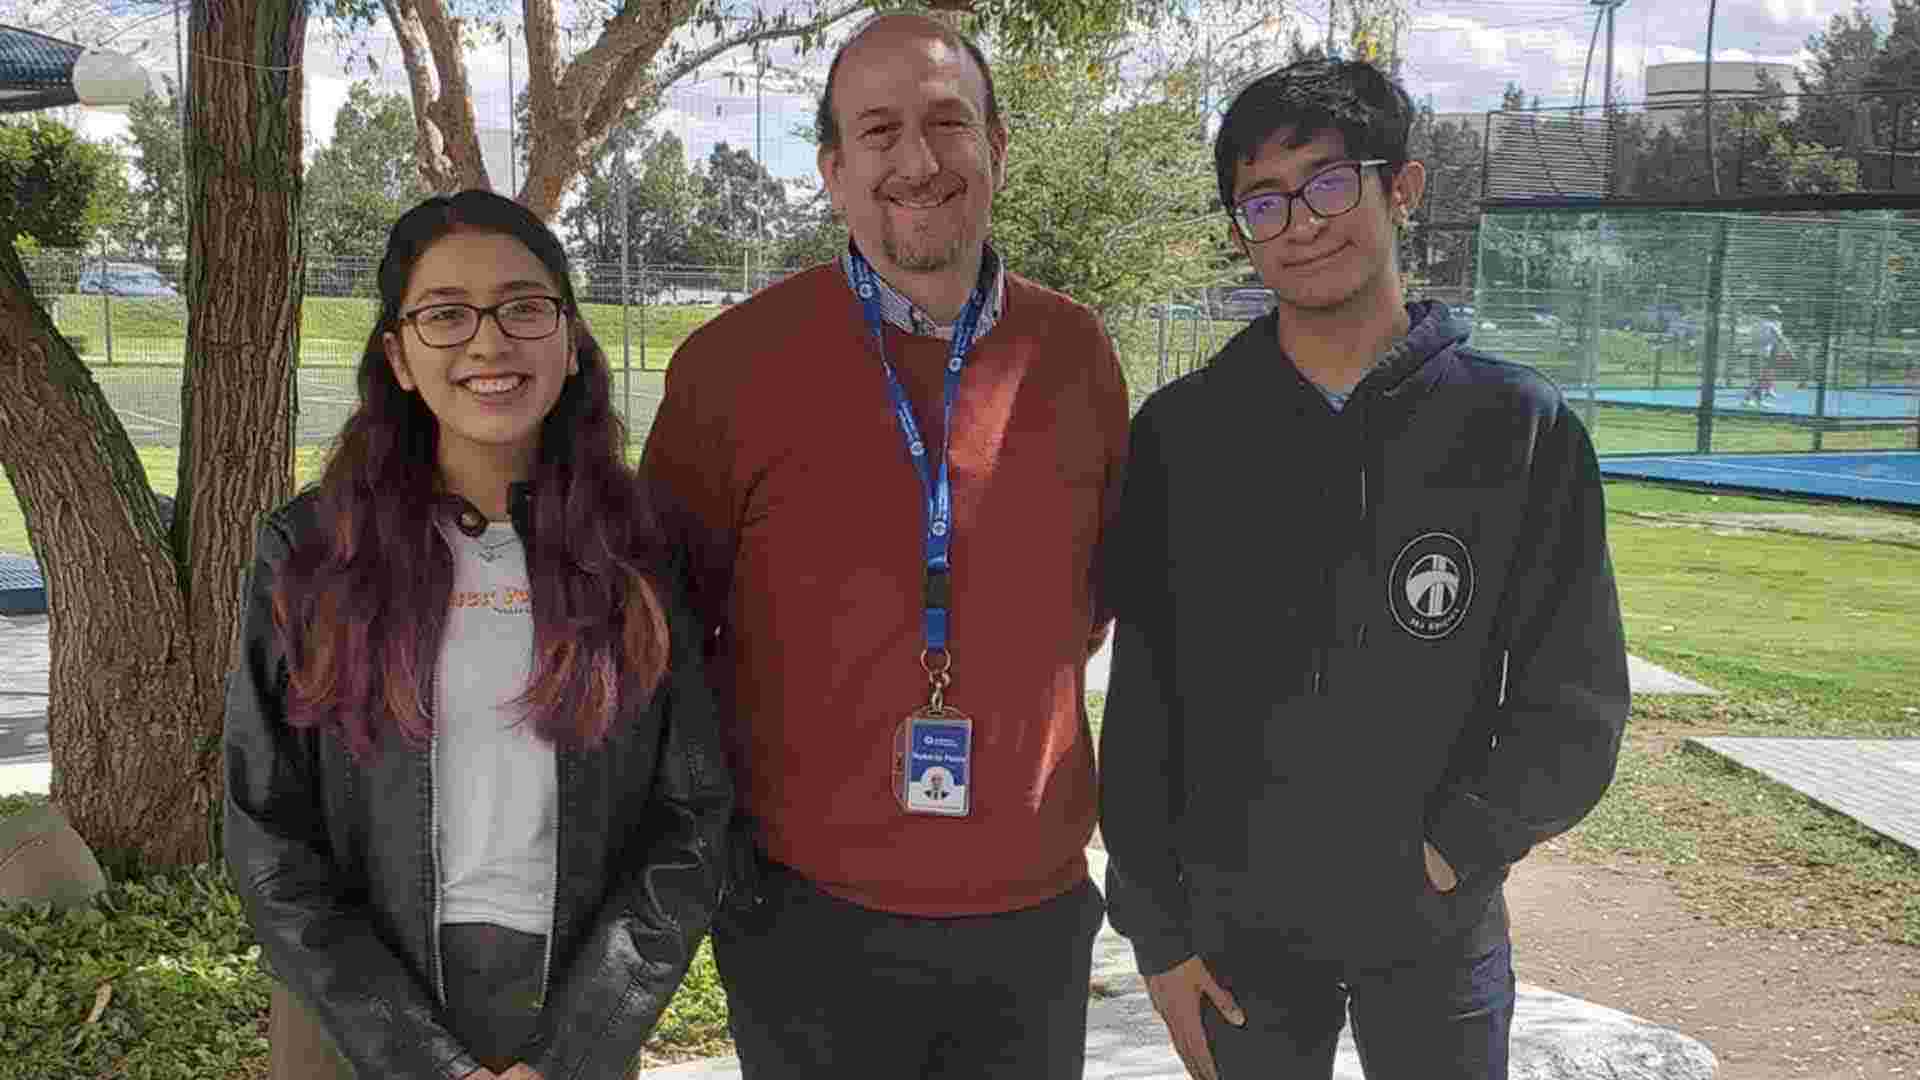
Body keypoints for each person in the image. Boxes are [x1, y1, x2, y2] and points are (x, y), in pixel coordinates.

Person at [1100, 59, 1629, 1080]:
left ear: (1403, 187)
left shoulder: (1515, 429)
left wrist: (1455, 848)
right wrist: (1158, 933)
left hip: (1437, 937)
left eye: (1329, 182)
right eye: (1263, 200)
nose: (1300, 222)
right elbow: (1146, 709)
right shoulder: (1180, 437)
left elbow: (1578, 699)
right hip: (1236, 942)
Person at [641, 11, 1129, 1078]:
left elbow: (1083, 601)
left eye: (949, 122)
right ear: (832, 168)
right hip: (807, 921)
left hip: (1030, 922)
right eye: (878, 131)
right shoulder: (731, 368)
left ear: (998, 148)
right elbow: (663, 628)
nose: (918, 160)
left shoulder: (1077, 354)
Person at [224, 190, 732, 1080]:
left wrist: (577, 1047)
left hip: (566, 1017)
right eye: (446, 314)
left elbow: (687, 823)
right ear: (400, 357)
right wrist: (422, 1059)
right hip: (356, 1024)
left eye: (524, 306)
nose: (489, 342)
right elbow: (268, 832)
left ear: (570, 341)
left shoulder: (642, 554)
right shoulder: (308, 552)